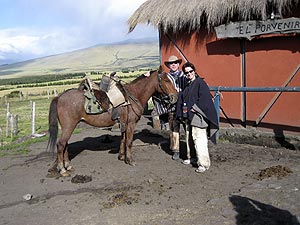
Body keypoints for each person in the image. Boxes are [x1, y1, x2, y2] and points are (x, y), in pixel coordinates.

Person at [176, 62, 219, 173]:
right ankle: (192, 157)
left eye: (191, 71)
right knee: (189, 137)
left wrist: (196, 107)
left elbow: (205, 99)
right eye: (186, 72)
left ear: (194, 71)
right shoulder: (188, 85)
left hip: (198, 116)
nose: (189, 74)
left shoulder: (200, 83)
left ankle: (203, 163)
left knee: (199, 139)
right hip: (188, 116)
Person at [152, 55, 187, 160]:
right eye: (171, 63)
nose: (174, 65)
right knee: (174, 129)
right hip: (172, 108)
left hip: (184, 107)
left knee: (187, 129)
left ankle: (190, 149)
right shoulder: (166, 78)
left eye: (176, 63)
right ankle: (176, 150)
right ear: (168, 65)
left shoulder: (185, 75)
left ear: (178, 64)